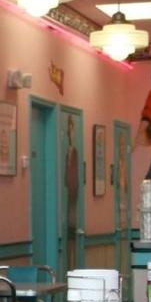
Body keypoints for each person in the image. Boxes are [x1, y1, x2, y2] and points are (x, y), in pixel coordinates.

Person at [64, 114, 79, 270]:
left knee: (72, 241)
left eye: (72, 128)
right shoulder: (67, 153)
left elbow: (73, 180)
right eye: (69, 129)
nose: (70, 133)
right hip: (68, 203)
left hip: (73, 202)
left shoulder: (74, 153)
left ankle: (72, 271)